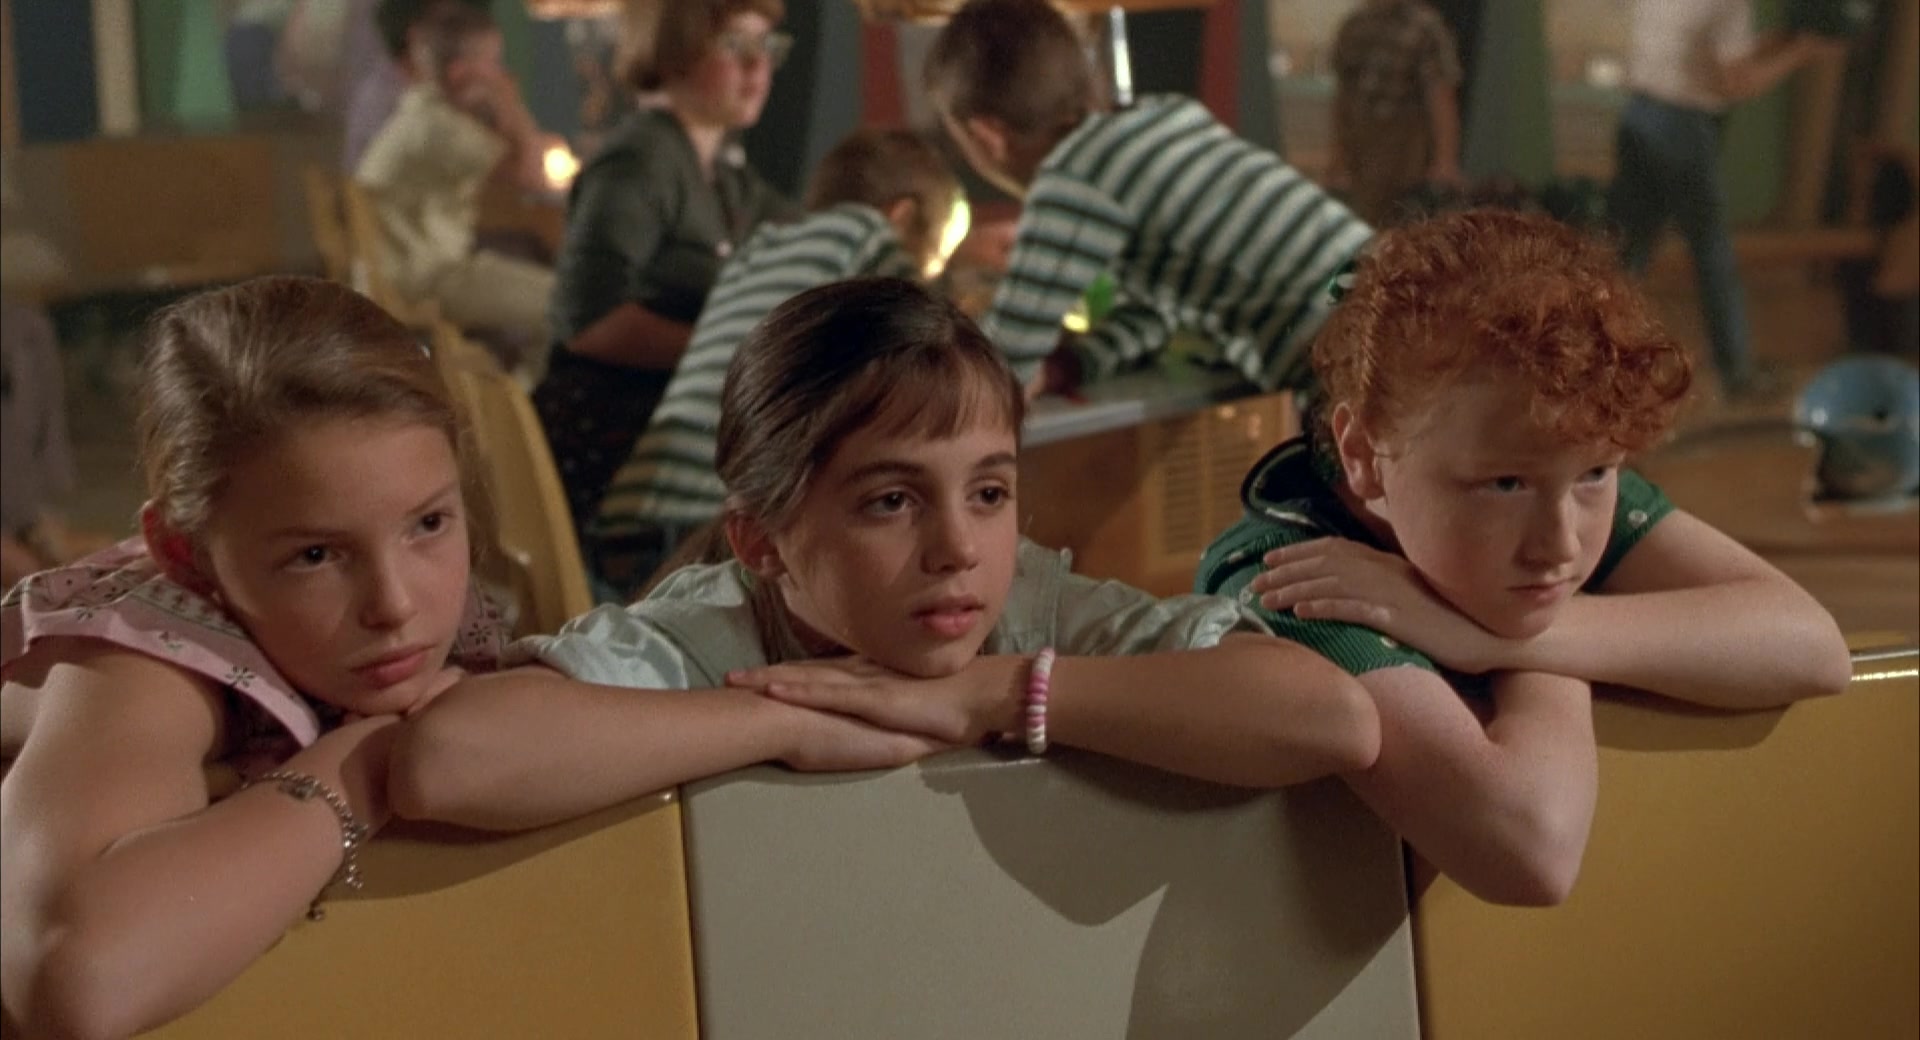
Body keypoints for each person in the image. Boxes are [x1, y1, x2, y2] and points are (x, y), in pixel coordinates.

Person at [389, 278, 1381, 832]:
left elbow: (1327, 717)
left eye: (989, 493)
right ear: (760, 538)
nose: (958, 548)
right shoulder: (712, 633)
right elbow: (452, 758)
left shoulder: (1029, 605)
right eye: (891, 501)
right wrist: (789, 717)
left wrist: (993, 694)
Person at [1197, 210, 1854, 907]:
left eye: (1599, 473)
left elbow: (1813, 647)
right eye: (1503, 486)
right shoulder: (1298, 576)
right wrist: (1542, 649)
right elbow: (1532, 847)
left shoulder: (1551, 465)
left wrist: (1498, 640)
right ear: (1362, 455)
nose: (1560, 544)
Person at [0, 276, 509, 1038]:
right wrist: (370, 761)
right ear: (184, 553)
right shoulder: (144, 662)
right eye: (315, 555)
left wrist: (728, 717)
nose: (396, 603)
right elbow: (75, 980)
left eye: (428, 523)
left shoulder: (365, 620)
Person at [923, 0, 1372, 398]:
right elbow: (1155, 316)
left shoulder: (1075, 177)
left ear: (987, 136)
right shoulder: (1164, 116)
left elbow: (1003, 359)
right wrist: (1070, 365)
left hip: (1345, 345)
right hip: (1387, 289)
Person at [590, 128, 966, 597]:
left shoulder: (757, 249)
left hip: (629, 520)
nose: (928, 272)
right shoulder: (867, 235)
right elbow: (943, 352)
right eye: (934, 256)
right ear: (902, 216)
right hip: (722, 526)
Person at [535, 0, 798, 556]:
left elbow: (808, 227)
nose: (758, 68)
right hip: (609, 457)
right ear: (673, 52)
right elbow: (588, 324)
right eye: (734, 45)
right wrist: (731, 355)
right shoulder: (641, 159)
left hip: (659, 446)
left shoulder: (722, 172)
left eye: (766, 47)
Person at [1607, 0, 1846, 399]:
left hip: (1639, 114)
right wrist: (1802, 55)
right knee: (1711, 252)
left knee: (1627, 253)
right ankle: (1738, 374)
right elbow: (1736, 81)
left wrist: (1781, 42)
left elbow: (1713, 48)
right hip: (1683, 127)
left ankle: (1591, 364)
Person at [354, 2, 558, 355]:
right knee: (569, 304)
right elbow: (533, 176)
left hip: (408, 270)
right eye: (493, 63)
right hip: (425, 278)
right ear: (462, 73)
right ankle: (517, 390)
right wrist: (508, 102)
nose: (501, 73)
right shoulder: (442, 128)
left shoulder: (425, 112)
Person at [1328, 0, 1464, 227]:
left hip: (1405, 149)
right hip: (1361, 144)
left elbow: (1440, 97)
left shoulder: (1424, 27)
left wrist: (1444, 161)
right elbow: (1343, 97)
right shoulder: (1354, 27)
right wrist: (1338, 158)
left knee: (1402, 223)